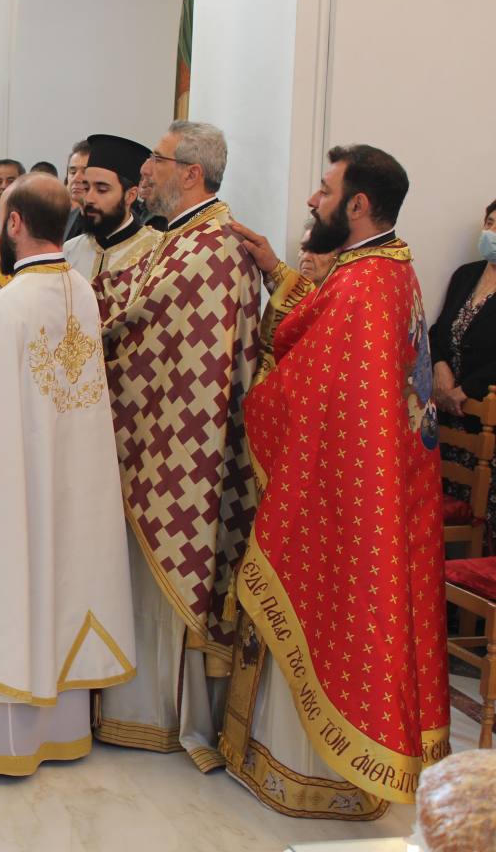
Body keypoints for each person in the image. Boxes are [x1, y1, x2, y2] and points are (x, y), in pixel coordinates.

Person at [222, 145, 450, 818]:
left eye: (323, 191)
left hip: (342, 492)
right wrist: (278, 274)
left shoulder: (360, 287)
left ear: (357, 204)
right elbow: (319, 342)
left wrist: (250, 397)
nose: (311, 200)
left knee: (334, 598)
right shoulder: (391, 269)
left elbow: (301, 383)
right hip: (384, 483)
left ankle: (305, 772)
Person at [0, 172, 136, 775]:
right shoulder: (82, 292)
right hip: (69, 485)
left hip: (15, 488)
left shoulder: (7, 309)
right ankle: (59, 733)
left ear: (13, 222)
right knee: (58, 584)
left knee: (10, 582)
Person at [93, 120, 261, 773]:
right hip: (164, 440)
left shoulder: (211, 247)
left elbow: (134, 324)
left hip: (180, 454)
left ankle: (153, 716)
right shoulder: (183, 237)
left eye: (157, 161)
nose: (145, 172)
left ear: (191, 173)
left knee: (160, 575)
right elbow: (126, 297)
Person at [430, 199, 496, 554]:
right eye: (490, 223)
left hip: (485, 413)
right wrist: (440, 368)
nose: (492, 232)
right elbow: (438, 331)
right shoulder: (466, 274)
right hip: (446, 409)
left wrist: (465, 390)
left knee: (479, 513)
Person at [64, 134, 160, 282]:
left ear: (130, 196)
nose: (88, 198)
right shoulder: (70, 250)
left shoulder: (156, 251)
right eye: (86, 188)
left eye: (102, 190)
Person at [64, 139, 90, 240]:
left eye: (85, 171)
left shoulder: (112, 223)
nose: (76, 178)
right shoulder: (67, 218)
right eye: (73, 172)